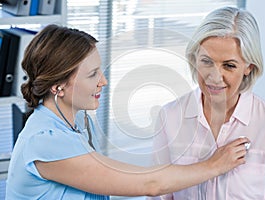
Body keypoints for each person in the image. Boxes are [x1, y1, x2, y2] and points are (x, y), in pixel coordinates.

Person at [5, 24, 251, 200]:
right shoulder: (47, 141)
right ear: (58, 86)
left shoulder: (66, 125)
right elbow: (150, 183)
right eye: (92, 75)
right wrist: (215, 166)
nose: (103, 81)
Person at [149, 6, 265, 200]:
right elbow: (157, 195)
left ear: (248, 67)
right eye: (206, 61)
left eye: (229, 65)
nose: (215, 77)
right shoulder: (170, 117)